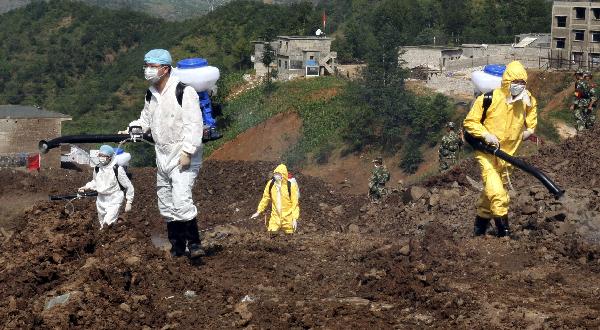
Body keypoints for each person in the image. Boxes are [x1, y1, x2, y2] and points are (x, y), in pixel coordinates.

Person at [121, 49, 204, 259]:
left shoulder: (184, 92)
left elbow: (195, 125)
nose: (148, 70)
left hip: (183, 154)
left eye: (152, 66)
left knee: (181, 200)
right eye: (146, 66)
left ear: (165, 69)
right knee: (165, 203)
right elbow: (145, 120)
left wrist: (187, 151)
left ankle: (194, 244)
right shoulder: (151, 93)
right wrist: (134, 128)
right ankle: (177, 248)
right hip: (162, 155)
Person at [463, 60, 537, 238]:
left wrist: (530, 129)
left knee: (489, 195)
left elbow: (532, 112)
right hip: (487, 154)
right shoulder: (489, 98)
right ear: (506, 81)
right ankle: (504, 235)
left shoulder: (526, 100)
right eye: (515, 82)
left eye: (522, 83)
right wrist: (486, 135)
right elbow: (470, 122)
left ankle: (479, 231)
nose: (519, 86)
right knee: (498, 194)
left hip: (507, 156)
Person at [78, 145, 134, 229]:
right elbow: (96, 181)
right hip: (101, 199)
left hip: (114, 199)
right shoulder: (97, 168)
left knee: (107, 224)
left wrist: (129, 201)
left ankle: (106, 237)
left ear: (110, 157)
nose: (101, 158)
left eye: (104, 156)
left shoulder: (117, 169)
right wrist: (86, 187)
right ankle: (112, 237)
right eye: (100, 155)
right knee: (102, 224)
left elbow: (128, 186)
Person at [251, 164, 300, 235]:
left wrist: (295, 218)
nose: (276, 176)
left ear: (283, 175)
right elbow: (265, 198)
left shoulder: (290, 186)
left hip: (287, 218)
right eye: (275, 174)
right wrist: (258, 211)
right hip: (275, 217)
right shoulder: (271, 184)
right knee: (271, 235)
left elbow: (295, 203)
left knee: (290, 237)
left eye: (278, 174)